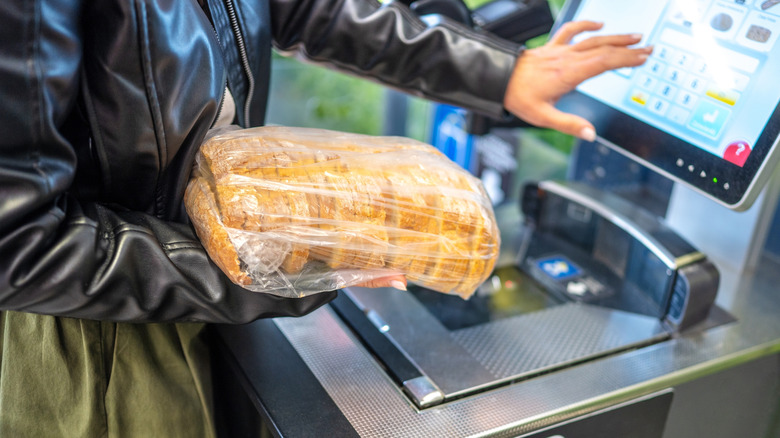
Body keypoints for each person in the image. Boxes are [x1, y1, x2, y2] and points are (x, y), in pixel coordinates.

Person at [0, 0, 651, 436]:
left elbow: (305, 6)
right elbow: (20, 246)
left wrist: (502, 76)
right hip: (101, 335)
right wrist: (282, 265)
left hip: (207, 275)